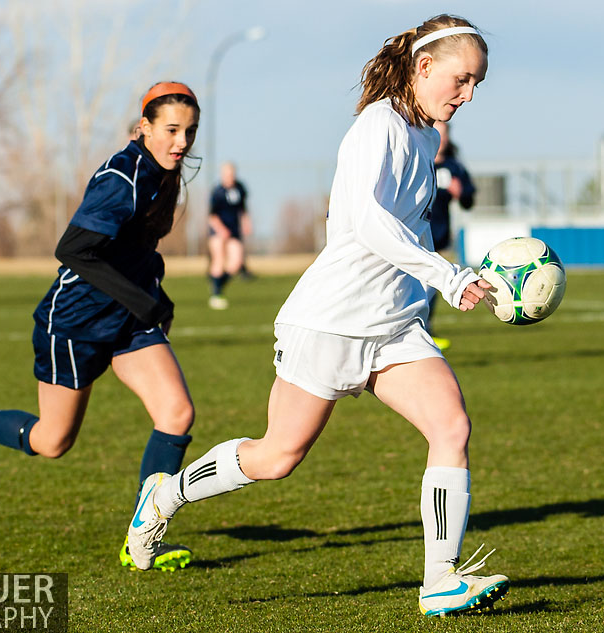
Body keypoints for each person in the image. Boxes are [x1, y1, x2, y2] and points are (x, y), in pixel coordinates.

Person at [128, 15, 509, 617]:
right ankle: (164, 498)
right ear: (424, 66)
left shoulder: (424, 136)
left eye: (477, 85)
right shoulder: (376, 127)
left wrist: (454, 282)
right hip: (330, 321)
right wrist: (446, 273)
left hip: (392, 325)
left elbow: (409, 229)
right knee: (278, 457)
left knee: (451, 428)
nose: (467, 95)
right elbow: (368, 223)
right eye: (462, 79)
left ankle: (440, 581)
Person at [0, 82, 201, 573]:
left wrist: (155, 296)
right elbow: (73, 249)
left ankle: (140, 540)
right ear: (144, 127)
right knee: (53, 441)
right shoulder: (121, 178)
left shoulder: (164, 174)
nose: (182, 142)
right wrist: (141, 300)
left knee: (177, 414)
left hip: (126, 321)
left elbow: (138, 248)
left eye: (190, 131)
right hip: (75, 322)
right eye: (171, 130)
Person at [427, 120, 476, 350]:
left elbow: (468, 200)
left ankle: (424, 331)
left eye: (445, 134)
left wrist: (461, 193)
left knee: (429, 285)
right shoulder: (419, 160)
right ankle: (420, 331)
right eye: (439, 133)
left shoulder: (453, 167)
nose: (442, 139)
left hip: (437, 236)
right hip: (413, 235)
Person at [206, 161, 252, 309]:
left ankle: (217, 283)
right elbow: (211, 216)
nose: (229, 177)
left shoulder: (240, 189)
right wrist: (221, 230)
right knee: (219, 260)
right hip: (218, 232)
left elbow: (243, 209)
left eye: (231, 174)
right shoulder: (217, 192)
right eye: (226, 174)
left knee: (236, 263)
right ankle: (216, 294)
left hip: (234, 231)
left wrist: (245, 223)